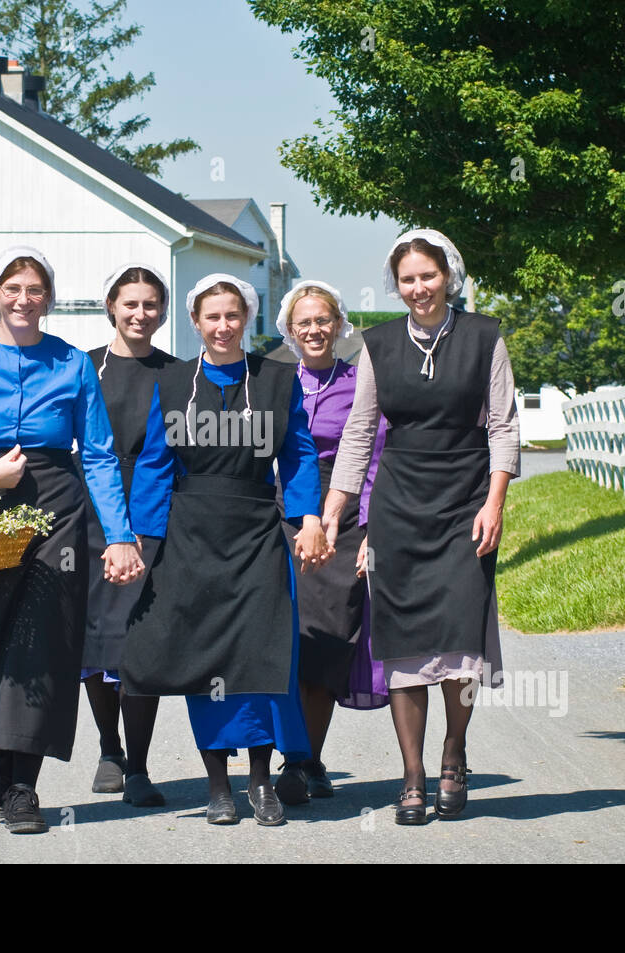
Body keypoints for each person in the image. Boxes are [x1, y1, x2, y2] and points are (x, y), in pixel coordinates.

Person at [0, 246, 144, 835]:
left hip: (56, 506)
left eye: (35, 289)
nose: (24, 299)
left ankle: (23, 787)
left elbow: (96, 455)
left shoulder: (71, 364)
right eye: (13, 288)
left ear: (49, 297)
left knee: (45, 644)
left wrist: (118, 536)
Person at [322, 229, 520, 824]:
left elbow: (504, 427)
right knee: (403, 643)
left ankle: (453, 753)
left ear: (448, 276)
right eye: (407, 279)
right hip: (399, 508)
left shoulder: (485, 337)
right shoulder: (377, 344)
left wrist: (495, 503)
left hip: (465, 503)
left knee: (461, 637)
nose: (417, 289)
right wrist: (337, 510)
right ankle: (412, 775)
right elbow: (359, 434)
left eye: (427, 276)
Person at [121, 273, 330, 826]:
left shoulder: (278, 380)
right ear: (196, 322)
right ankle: (218, 786)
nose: (222, 326)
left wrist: (308, 519)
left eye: (232, 315)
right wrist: (143, 539)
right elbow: (153, 465)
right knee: (203, 658)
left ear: (248, 319)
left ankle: (261, 783)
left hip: (258, 532)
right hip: (190, 536)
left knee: (260, 656)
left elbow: (300, 453)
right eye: (211, 317)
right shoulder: (171, 383)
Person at [270, 280, 388, 804]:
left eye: (324, 320)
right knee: (285, 640)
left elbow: (379, 456)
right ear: (289, 331)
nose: (314, 330)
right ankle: (290, 754)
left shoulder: (363, 381)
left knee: (327, 638)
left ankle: (306, 759)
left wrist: (373, 527)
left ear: (339, 325)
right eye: (304, 323)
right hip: (282, 513)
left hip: (348, 514)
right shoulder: (273, 381)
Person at [80, 263, 177, 807]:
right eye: (131, 304)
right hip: (88, 515)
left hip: (154, 515)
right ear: (111, 306)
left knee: (140, 639)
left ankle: (138, 765)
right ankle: (108, 748)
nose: (141, 314)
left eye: (151, 305)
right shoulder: (84, 367)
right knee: (98, 637)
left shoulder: (178, 372)